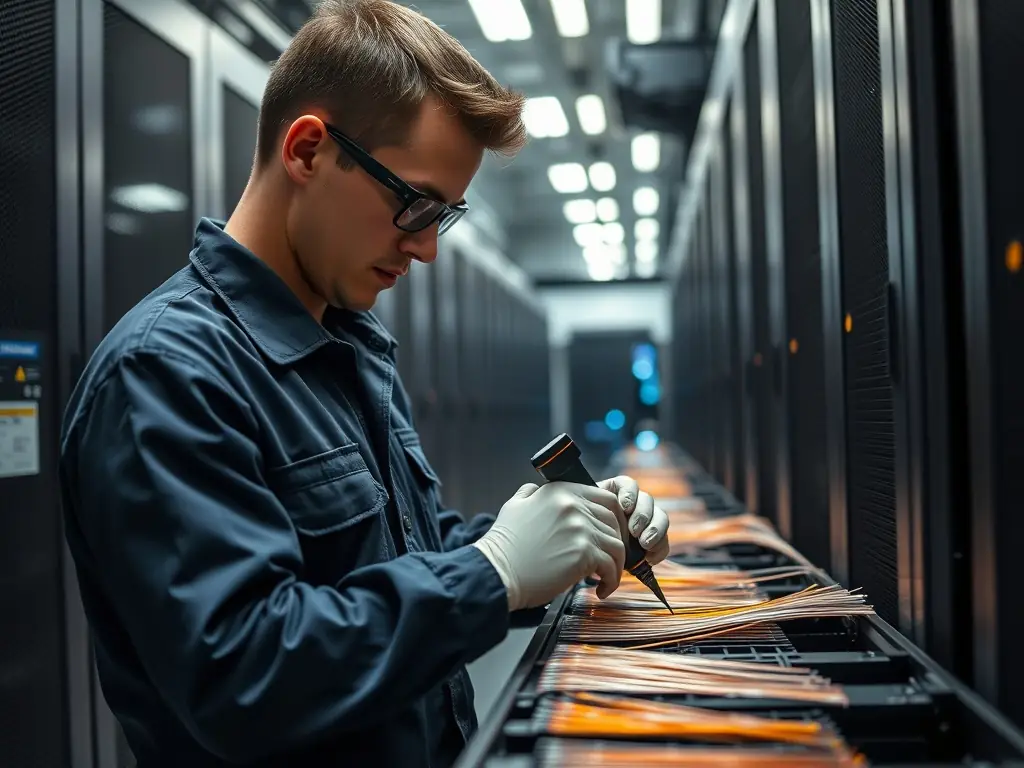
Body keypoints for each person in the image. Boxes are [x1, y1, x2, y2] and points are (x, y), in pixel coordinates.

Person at [58, 1, 671, 766]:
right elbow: (245, 671)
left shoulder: (348, 344)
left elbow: (394, 559)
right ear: (309, 150)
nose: (424, 250)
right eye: (412, 204)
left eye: (442, 217)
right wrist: (492, 573)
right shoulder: (167, 372)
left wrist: (555, 538)